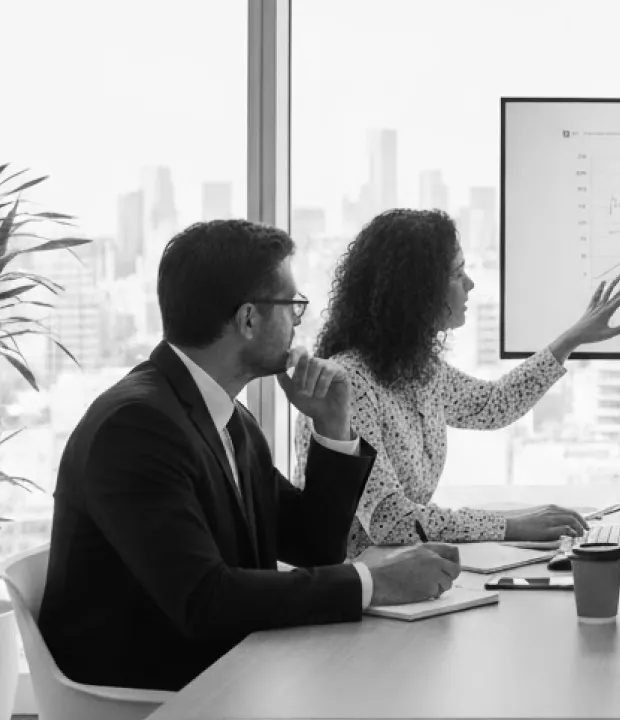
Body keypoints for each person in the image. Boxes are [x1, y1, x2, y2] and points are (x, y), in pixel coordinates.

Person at [39, 219, 460, 692]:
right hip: (155, 695)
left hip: (232, 669)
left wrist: (333, 428)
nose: (298, 321)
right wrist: (374, 583)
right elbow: (204, 599)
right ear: (248, 320)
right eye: (292, 306)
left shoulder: (229, 418)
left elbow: (312, 546)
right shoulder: (136, 428)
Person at [294, 209, 620, 559]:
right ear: (417, 292)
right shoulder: (350, 383)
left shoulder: (419, 371)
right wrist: (511, 524)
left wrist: (572, 339)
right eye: (457, 274)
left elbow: (493, 405)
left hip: (401, 568)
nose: (470, 284)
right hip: (351, 579)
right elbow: (389, 520)